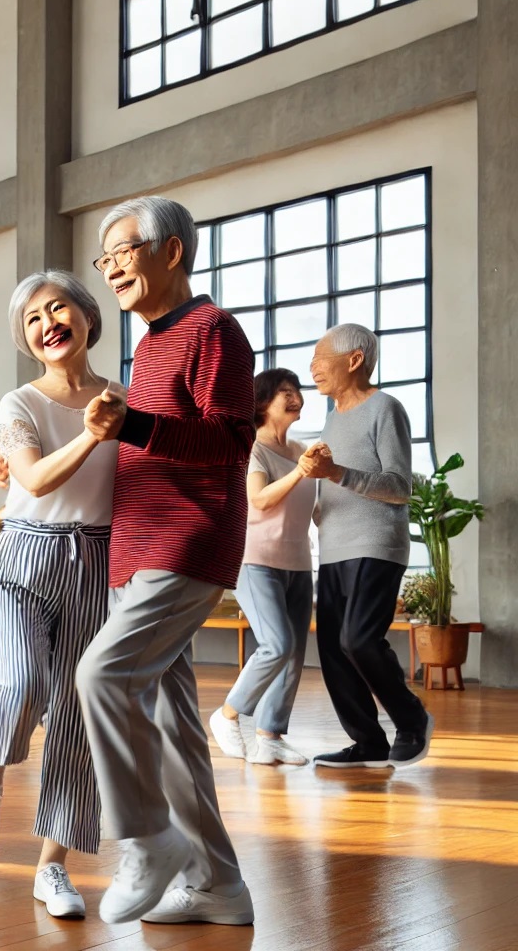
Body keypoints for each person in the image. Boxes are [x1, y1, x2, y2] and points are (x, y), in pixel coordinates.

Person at [76, 196, 254, 926]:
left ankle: (149, 838)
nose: (110, 264)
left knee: (101, 673)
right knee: (179, 727)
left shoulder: (214, 331)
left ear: (170, 252)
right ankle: (220, 883)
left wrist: (136, 424)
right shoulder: (151, 343)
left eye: (122, 248)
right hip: (139, 548)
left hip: (188, 538)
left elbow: (226, 443)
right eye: (103, 256)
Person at [0, 271, 121, 920]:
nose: (47, 322)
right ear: (27, 340)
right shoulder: (18, 402)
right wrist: (92, 433)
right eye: (32, 318)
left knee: (78, 717)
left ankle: (52, 867)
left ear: (86, 317)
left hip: (96, 561)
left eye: (59, 308)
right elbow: (29, 476)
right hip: (22, 556)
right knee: (22, 682)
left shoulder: (124, 397)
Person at [306, 324, 432, 768]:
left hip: (376, 543)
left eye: (321, 358)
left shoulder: (385, 408)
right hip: (335, 547)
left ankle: (412, 718)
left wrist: (336, 473)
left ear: (354, 359)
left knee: (359, 639)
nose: (313, 367)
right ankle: (368, 743)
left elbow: (399, 487)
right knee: (333, 651)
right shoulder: (333, 417)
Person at [209, 369, 319, 767]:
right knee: (277, 644)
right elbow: (259, 500)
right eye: (285, 392)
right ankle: (227, 715)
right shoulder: (252, 449)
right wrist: (301, 471)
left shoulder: (302, 450)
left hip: (299, 563)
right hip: (255, 560)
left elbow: (316, 510)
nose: (296, 397)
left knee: (293, 654)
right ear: (261, 403)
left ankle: (270, 736)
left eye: (298, 391)